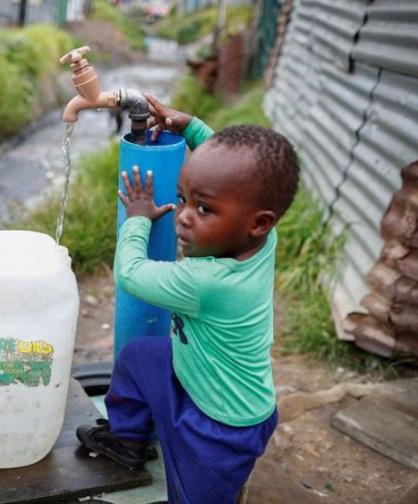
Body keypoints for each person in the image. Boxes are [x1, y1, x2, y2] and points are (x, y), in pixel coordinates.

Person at [76, 94, 299, 504]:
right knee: (139, 356)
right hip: (190, 375)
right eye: (183, 198)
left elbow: (130, 274)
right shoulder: (263, 239)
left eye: (204, 209)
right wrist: (192, 128)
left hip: (222, 428)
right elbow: (235, 179)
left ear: (257, 223)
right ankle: (128, 441)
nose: (183, 215)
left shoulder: (209, 280)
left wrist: (138, 220)